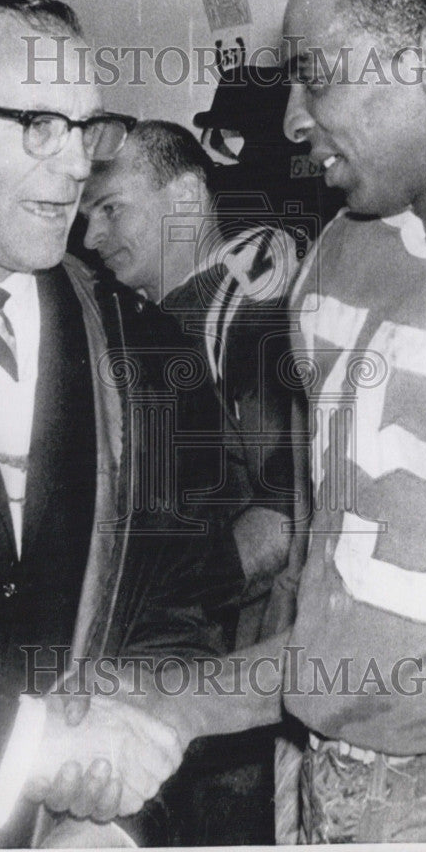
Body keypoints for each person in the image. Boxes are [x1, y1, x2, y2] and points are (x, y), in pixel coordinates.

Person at [63, 0, 426, 845]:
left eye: (316, 74)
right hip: (314, 774)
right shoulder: (338, 252)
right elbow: (348, 624)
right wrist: (178, 697)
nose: (289, 117)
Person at [0, 0, 235, 849]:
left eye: (86, 129)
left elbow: (181, 605)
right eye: (38, 123)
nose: (76, 164)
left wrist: (109, 813)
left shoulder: (145, 350)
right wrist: (25, 748)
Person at [80, 120, 302, 625]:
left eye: (111, 209)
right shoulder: (122, 314)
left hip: (227, 645)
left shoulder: (253, 310)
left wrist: (156, 612)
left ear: (185, 197)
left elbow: (288, 512)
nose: (91, 237)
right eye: (85, 216)